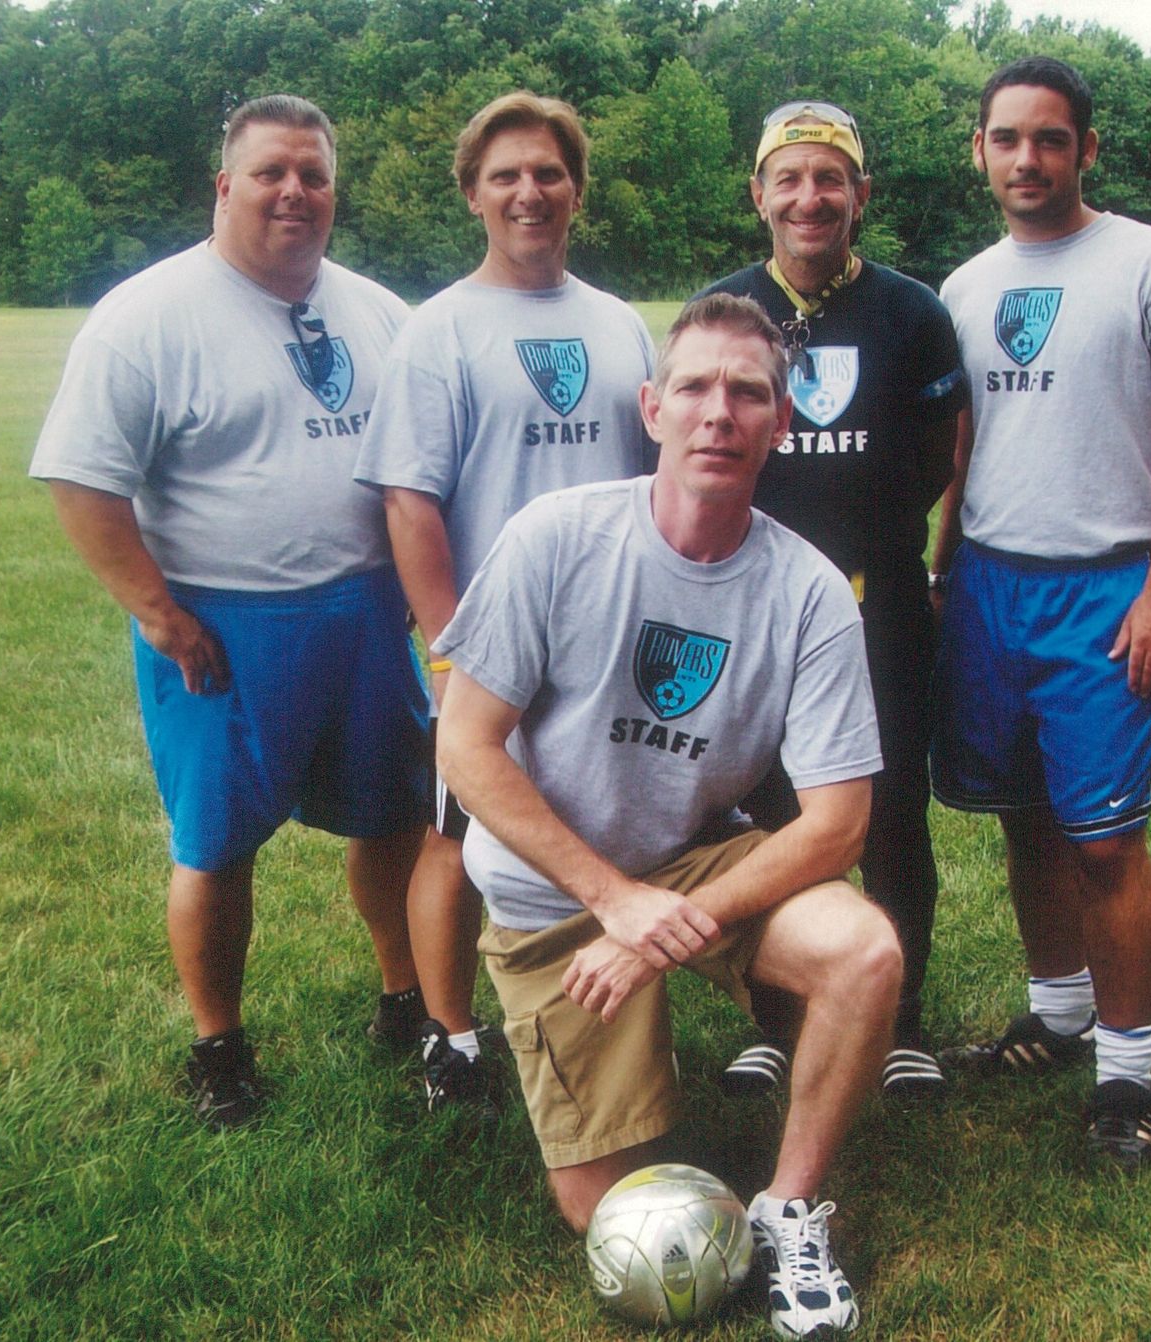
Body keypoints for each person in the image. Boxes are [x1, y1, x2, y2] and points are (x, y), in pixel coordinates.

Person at [436, 295, 898, 1337]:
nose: (718, 412)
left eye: (749, 393)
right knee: (607, 1212)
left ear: (783, 423)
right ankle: (627, 1068)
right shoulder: (556, 537)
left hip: (689, 858)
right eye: (694, 387)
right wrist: (615, 903)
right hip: (554, 897)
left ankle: (789, 1212)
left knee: (863, 950)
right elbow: (464, 748)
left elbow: (839, 824)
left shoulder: (811, 592)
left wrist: (661, 923)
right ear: (652, 409)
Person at [30, 95, 431, 1130]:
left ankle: (406, 997)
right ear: (224, 186)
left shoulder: (379, 312)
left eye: (313, 175)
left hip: (366, 613)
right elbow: (81, 478)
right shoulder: (146, 318)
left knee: (393, 815)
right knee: (216, 843)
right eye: (270, 173)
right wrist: (156, 612)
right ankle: (220, 1046)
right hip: (221, 625)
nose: (294, 191)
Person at [930, 57, 1151, 1170]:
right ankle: (1057, 1013)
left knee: (1106, 839)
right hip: (988, 584)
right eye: (1007, 138)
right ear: (979, 150)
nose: (1028, 158)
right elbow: (965, 450)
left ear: (1086, 150)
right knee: (1022, 812)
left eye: (1051, 138)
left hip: (1108, 588)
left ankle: (1127, 1075)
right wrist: (942, 573)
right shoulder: (965, 288)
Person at [354, 92, 657, 1111]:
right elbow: (410, 503)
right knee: (457, 836)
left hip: (608, 635)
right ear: (473, 195)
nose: (530, 192)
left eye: (548, 173)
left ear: (577, 189)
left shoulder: (619, 324)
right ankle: (452, 1037)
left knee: (595, 820)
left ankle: (596, 1004)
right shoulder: (439, 330)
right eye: (506, 176)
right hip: (491, 645)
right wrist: (450, 653)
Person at [698, 99, 965, 1102]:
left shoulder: (911, 313)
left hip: (878, 604)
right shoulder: (725, 310)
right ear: (758, 195)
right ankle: (776, 1016)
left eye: (830, 179)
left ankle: (902, 1021)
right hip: (753, 610)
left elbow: (935, 456)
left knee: (889, 811)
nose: (809, 198)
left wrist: (875, 549)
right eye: (790, 178)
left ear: (861, 195)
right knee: (768, 811)